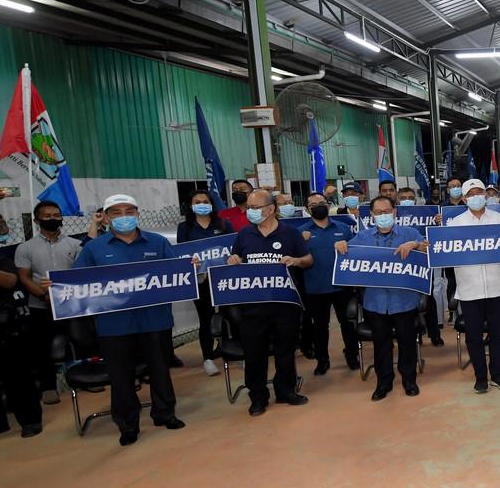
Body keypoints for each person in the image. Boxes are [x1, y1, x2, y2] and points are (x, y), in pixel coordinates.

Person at [67, 194, 185, 445]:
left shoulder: (157, 242)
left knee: (160, 370)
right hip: (114, 324)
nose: (123, 217)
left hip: (155, 320)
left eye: (129, 211)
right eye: (117, 212)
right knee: (121, 377)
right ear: (107, 217)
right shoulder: (94, 248)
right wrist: (55, 284)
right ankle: (127, 424)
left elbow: (175, 275)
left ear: (137, 213)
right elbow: (76, 282)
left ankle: (165, 414)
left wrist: (189, 267)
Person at [226, 190, 314, 416]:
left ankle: (286, 391)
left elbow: (308, 260)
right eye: (250, 207)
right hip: (253, 306)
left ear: (271, 208)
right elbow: (235, 260)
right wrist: (233, 260)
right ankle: (257, 397)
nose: (251, 212)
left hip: (285, 304)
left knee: (285, 350)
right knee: (255, 353)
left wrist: (296, 260)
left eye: (256, 207)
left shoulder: (291, 234)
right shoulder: (244, 234)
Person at [334, 195, 427, 400]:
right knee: (381, 343)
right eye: (378, 213)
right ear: (372, 215)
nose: (383, 216)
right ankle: (384, 382)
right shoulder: (363, 237)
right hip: (375, 302)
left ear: (394, 212)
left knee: (407, 341)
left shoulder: (409, 233)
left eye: (387, 212)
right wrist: (341, 244)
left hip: (404, 300)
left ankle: (408, 379)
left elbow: (430, 248)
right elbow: (347, 254)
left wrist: (415, 245)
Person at [449, 179, 500, 394]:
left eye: (480, 192)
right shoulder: (453, 225)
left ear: (486, 196)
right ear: (464, 198)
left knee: (498, 335)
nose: (476, 196)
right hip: (469, 291)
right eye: (471, 194)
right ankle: (480, 377)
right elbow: (444, 253)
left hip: (498, 288)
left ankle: (497, 374)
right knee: (473, 337)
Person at [15, 200, 81, 404]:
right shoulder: (25, 248)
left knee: (80, 341)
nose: (53, 219)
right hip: (41, 305)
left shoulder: (74, 244)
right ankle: (48, 387)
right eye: (48, 216)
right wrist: (46, 297)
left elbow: (81, 274)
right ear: (37, 221)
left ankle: (83, 378)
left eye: (56, 215)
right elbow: (24, 277)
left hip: (72, 304)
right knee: (42, 348)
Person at [298, 191, 360, 375]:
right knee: (319, 326)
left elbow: (357, 253)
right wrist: (301, 242)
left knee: (348, 323)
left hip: (342, 286)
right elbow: (294, 258)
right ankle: (322, 360)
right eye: (313, 204)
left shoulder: (342, 227)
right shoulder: (301, 232)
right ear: (307, 210)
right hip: (315, 288)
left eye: (321, 202)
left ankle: (352, 355)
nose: (318, 206)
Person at [177, 189, 234, 376]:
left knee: (229, 315)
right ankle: (208, 358)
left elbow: (233, 249)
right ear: (191, 206)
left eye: (205, 200)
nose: (202, 204)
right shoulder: (184, 228)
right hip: (200, 281)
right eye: (197, 201)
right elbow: (182, 255)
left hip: (224, 278)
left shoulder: (224, 224)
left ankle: (230, 351)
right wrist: (191, 264)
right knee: (206, 319)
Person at [0, 250, 41, 436]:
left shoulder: (2, 260)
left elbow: (10, 281)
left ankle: (30, 421)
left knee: (16, 376)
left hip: (5, 328)